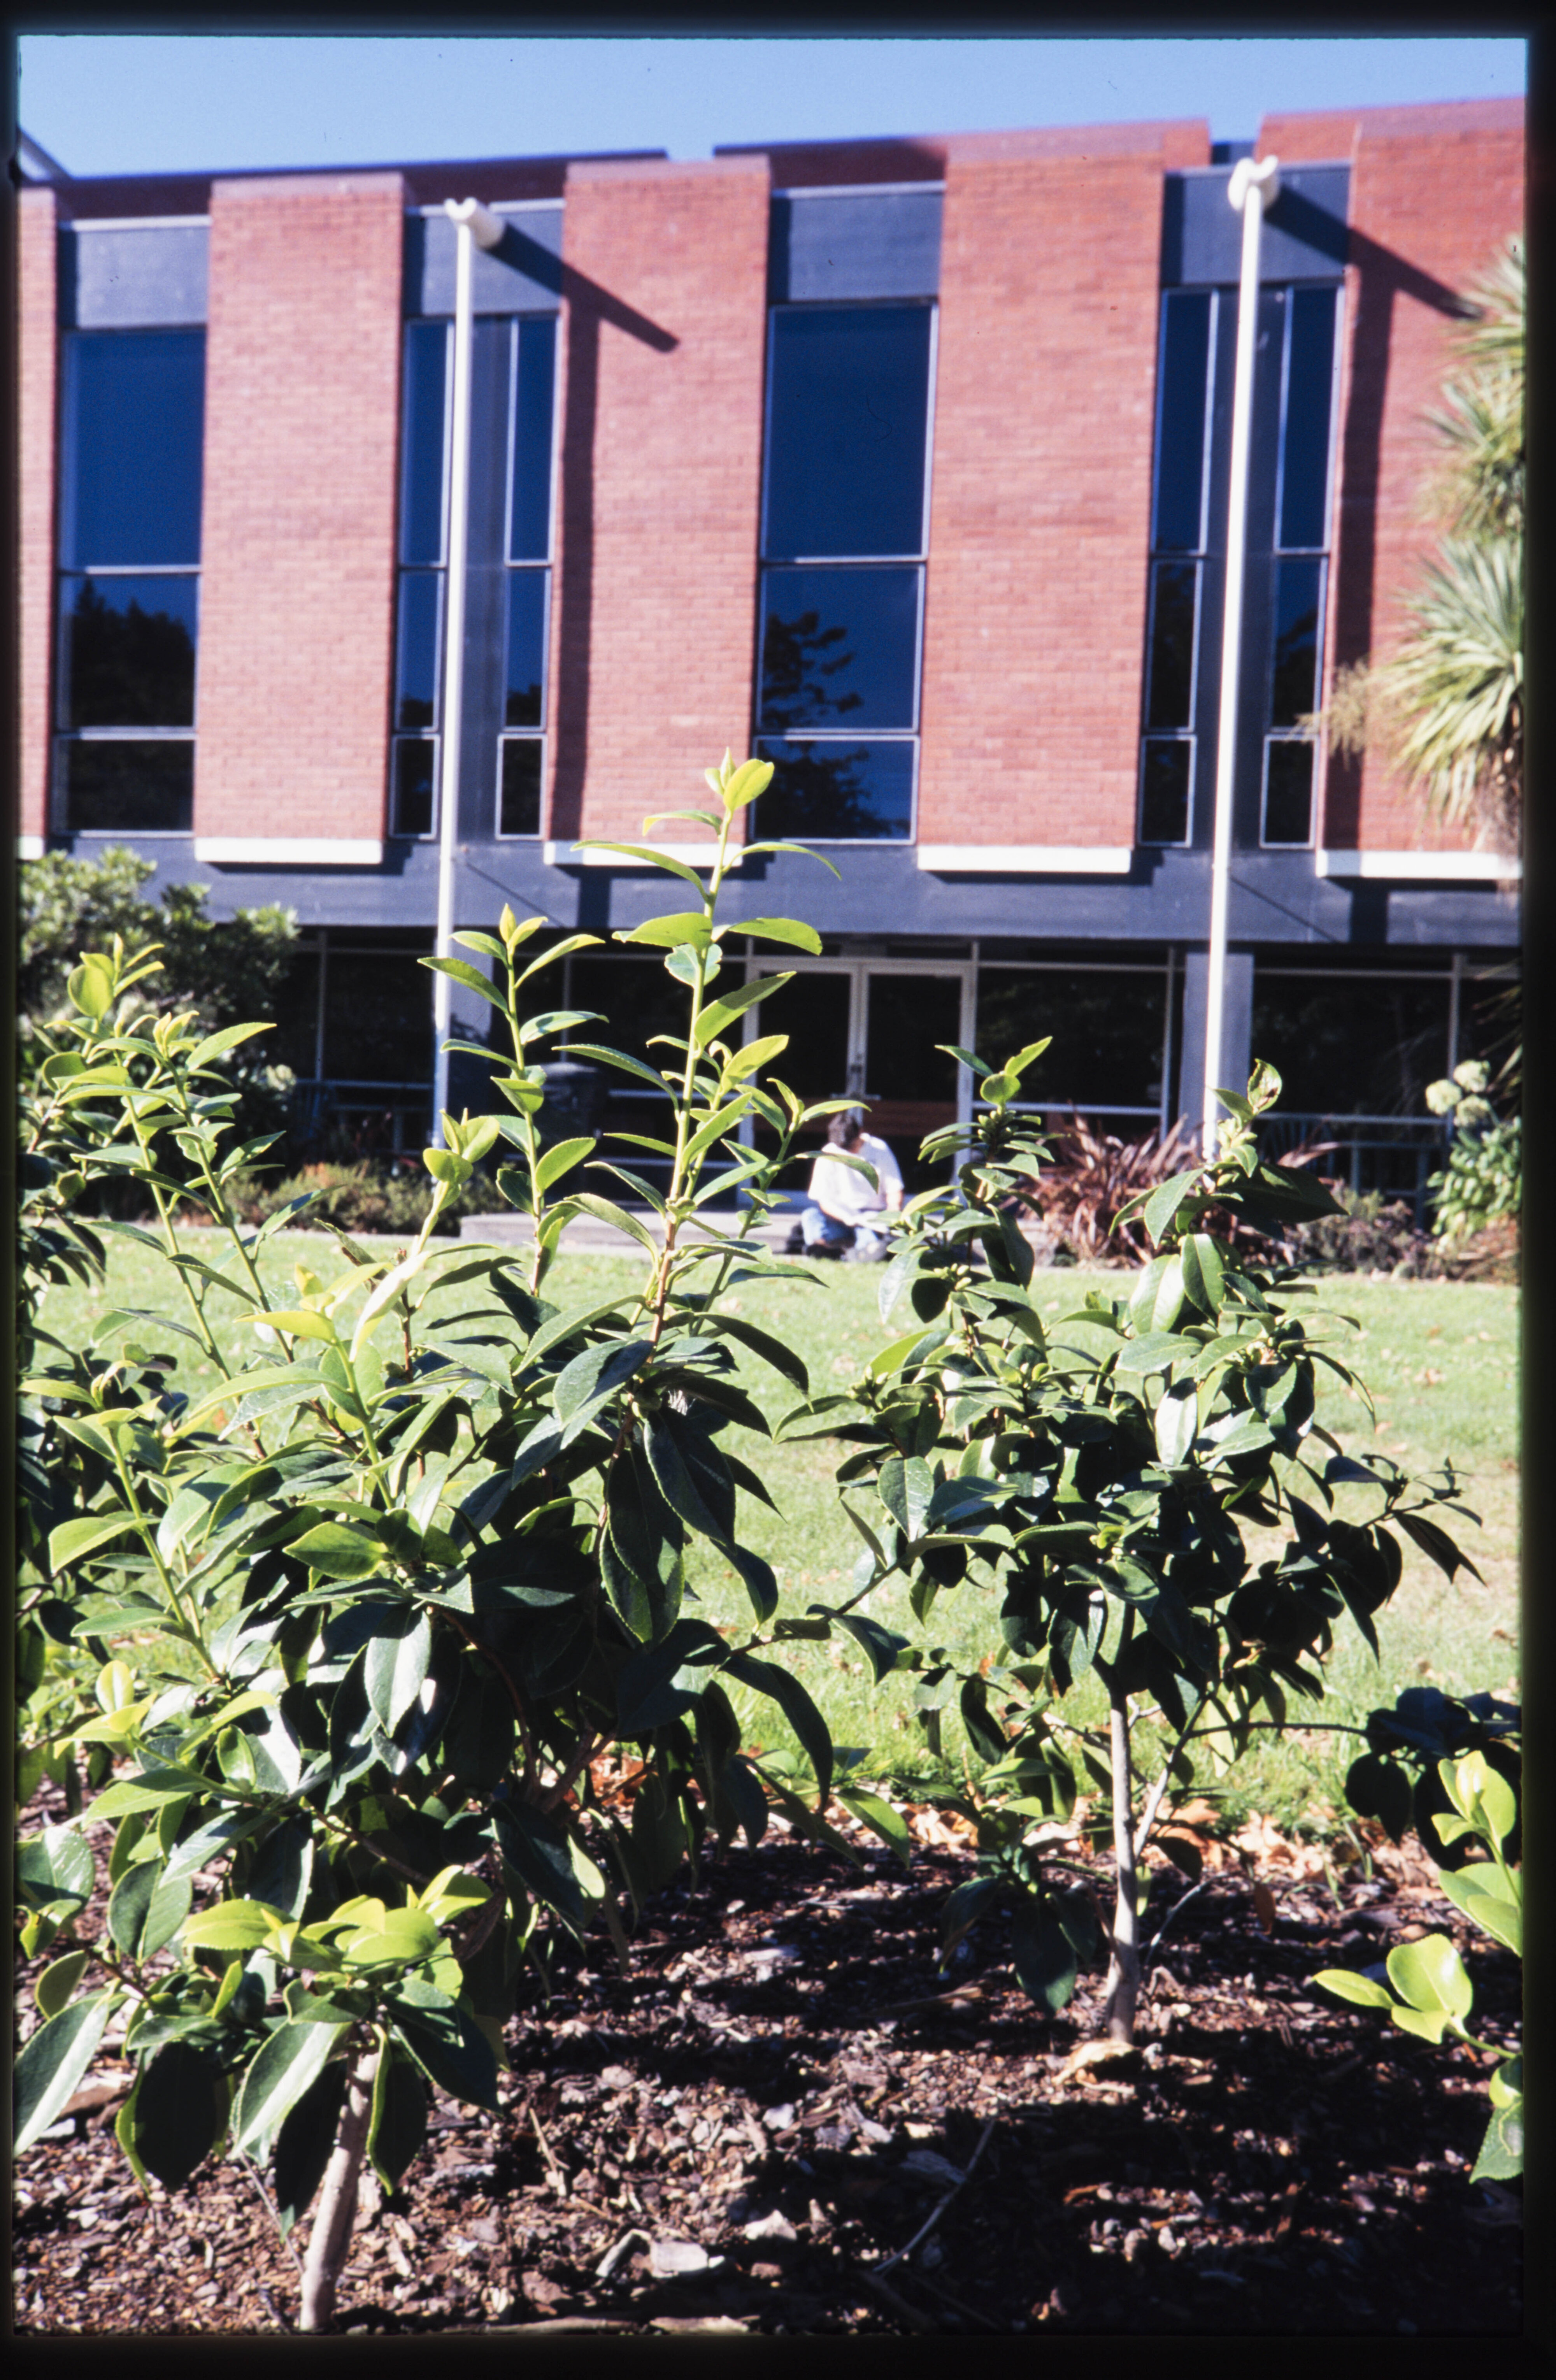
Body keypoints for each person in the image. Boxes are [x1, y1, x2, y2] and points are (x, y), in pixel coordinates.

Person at [785, 1108, 903, 1261]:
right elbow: (824, 1201)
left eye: (851, 1146)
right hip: (841, 1216)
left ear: (860, 1132)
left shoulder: (879, 1149)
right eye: (844, 1148)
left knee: (869, 1237)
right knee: (810, 1217)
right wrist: (848, 1218)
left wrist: (893, 1216)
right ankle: (824, 1248)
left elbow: (894, 1189)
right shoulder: (828, 1153)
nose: (848, 1151)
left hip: (872, 1217)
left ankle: (864, 1251)